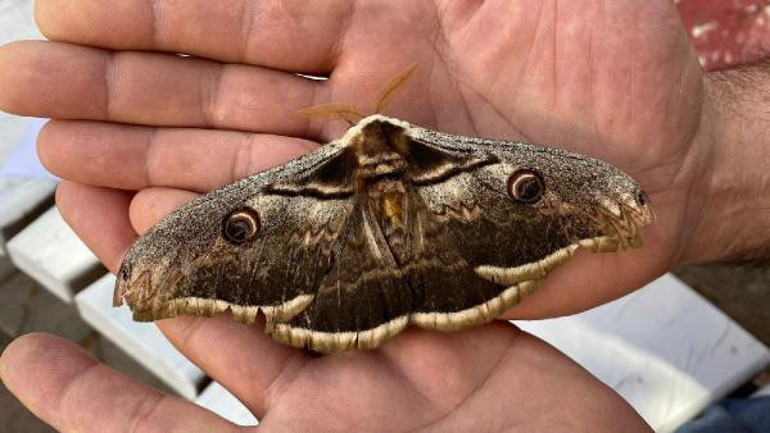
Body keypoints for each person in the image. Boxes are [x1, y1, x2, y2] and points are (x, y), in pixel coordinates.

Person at [0, 1, 767, 431]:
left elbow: (588, 188)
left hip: (367, 285)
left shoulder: (339, 169)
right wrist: (165, 263)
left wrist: (688, 170)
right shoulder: (441, 159)